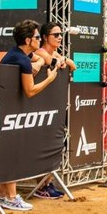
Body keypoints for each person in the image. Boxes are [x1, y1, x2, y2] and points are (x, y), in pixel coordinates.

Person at [0, 20, 59, 211]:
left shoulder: (19, 54)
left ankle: (2, 195)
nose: (40, 40)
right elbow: (30, 90)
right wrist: (49, 79)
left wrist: (39, 63)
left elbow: (40, 59)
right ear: (27, 39)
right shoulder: (21, 59)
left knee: (8, 152)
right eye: (37, 37)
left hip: (3, 110)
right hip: (4, 113)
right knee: (11, 153)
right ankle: (11, 197)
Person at [33, 22, 77, 199]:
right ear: (45, 37)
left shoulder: (55, 52)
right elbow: (47, 60)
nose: (59, 37)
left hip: (52, 105)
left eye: (60, 34)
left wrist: (62, 60)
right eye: (55, 35)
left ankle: (48, 182)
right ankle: (41, 185)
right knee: (40, 144)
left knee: (52, 143)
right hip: (37, 105)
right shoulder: (40, 52)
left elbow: (72, 64)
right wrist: (59, 61)